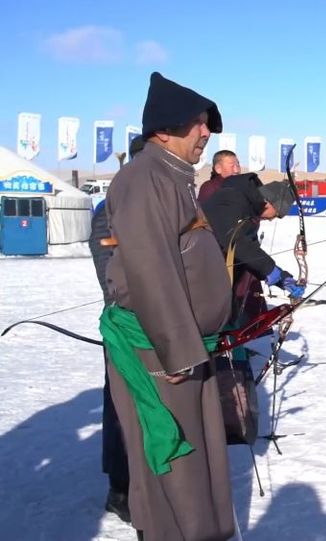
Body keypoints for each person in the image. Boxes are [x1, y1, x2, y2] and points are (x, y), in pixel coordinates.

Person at [101, 71, 236, 540]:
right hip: (163, 353)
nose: (206, 132)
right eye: (197, 123)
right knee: (173, 463)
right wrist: (178, 348)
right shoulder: (144, 179)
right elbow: (149, 269)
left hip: (183, 349)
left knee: (198, 458)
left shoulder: (172, 176)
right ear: (163, 130)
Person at [89, 136, 145, 525]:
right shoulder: (111, 209)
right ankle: (120, 489)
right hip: (127, 324)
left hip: (156, 324)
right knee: (121, 406)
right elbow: (110, 269)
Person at [202, 174, 304, 316]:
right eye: (276, 215)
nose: (271, 220)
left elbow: (251, 253)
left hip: (207, 269)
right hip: (193, 266)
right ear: (270, 203)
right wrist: (270, 269)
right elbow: (233, 240)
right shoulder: (232, 197)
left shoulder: (249, 211)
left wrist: (282, 278)